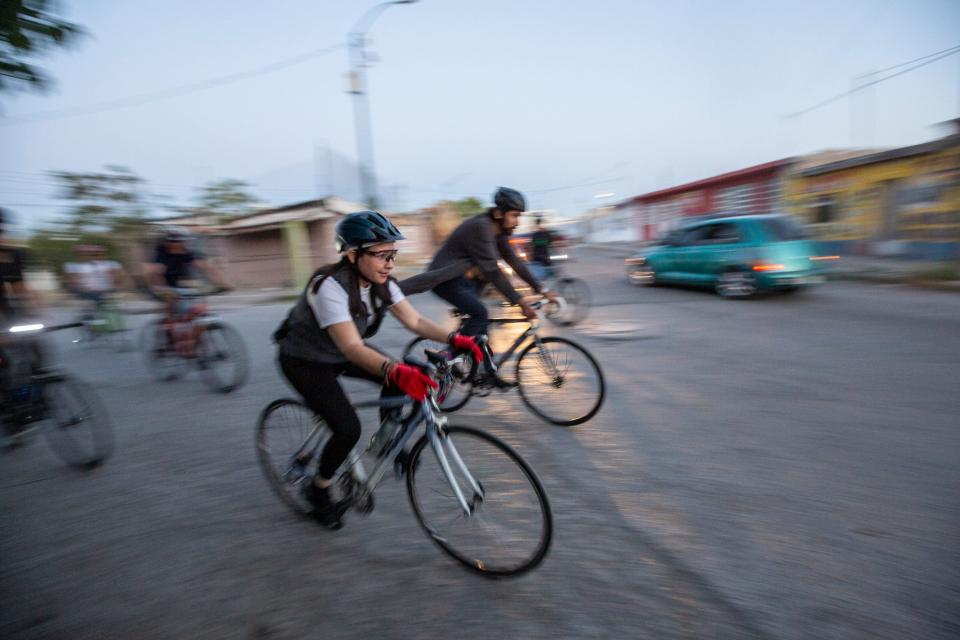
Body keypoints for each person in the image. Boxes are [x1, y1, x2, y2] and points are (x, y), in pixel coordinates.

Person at [273, 210, 484, 529]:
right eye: (381, 255)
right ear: (353, 254)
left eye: (393, 254)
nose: (389, 263)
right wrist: (395, 371)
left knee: (407, 373)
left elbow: (415, 321)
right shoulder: (328, 286)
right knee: (347, 428)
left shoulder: (383, 283)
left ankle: (385, 441)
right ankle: (319, 490)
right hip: (305, 359)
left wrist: (457, 338)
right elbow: (352, 349)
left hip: (340, 350)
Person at [399, 187, 556, 385]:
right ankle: (446, 358)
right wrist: (520, 302)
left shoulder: (498, 233)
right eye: (514, 215)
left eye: (519, 216)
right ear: (499, 213)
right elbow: (493, 271)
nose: (517, 221)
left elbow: (514, 261)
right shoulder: (481, 228)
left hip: (467, 281)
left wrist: (540, 289)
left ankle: (486, 374)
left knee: (482, 326)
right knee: (480, 314)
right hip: (447, 280)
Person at [528, 215, 557, 282]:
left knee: (550, 272)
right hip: (538, 257)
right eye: (538, 224)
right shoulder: (535, 234)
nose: (539, 226)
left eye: (540, 224)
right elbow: (534, 244)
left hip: (545, 256)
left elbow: (551, 242)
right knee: (541, 274)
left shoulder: (546, 233)